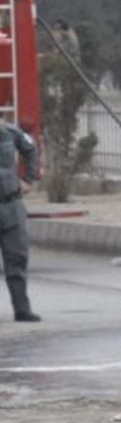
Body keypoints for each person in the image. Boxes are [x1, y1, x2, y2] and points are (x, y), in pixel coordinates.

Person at [0, 121, 40, 322]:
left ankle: (22, 309)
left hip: (10, 205)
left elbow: (30, 149)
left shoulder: (11, 133)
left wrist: (28, 179)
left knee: (17, 258)